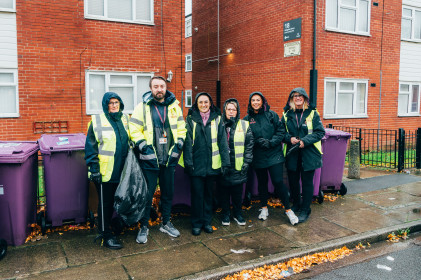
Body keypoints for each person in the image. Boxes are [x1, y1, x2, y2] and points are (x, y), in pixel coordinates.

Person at [129, 76, 186, 244]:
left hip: (169, 159)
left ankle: (166, 222)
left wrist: (179, 144)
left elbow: (182, 128)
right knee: (147, 195)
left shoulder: (175, 107)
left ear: (165, 87)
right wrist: (143, 146)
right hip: (150, 160)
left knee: (168, 193)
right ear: (151, 89)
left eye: (162, 86)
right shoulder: (143, 107)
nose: (159, 89)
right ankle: (144, 226)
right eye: (156, 86)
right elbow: (133, 128)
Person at [244, 92, 298, 225]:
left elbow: (280, 131)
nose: (256, 102)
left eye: (258, 100)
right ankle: (264, 208)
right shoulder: (247, 119)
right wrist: (258, 141)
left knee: (278, 181)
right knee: (262, 183)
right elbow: (246, 137)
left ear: (263, 101)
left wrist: (271, 142)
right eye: (253, 100)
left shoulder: (271, 115)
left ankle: (289, 210)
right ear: (250, 103)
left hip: (274, 154)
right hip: (258, 156)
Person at [85, 92, 130, 249]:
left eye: (117, 102)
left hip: (122, 170)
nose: (114, 105)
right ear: (105, 105)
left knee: (119, 200)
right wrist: (94, 169)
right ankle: (105, 235)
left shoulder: (124, 119)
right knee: (106, 204)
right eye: (111, 103)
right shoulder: (97, 121)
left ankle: (113, 225)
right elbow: (91, 147)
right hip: (105, 172)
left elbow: (129, 140)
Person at [182, 92, 230, 236]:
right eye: (201, 102)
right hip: (196, 165)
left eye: (206, 102)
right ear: (196, 104)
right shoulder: (190, 119)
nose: (204, 105)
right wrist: (188, 162)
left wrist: (225, 163)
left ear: (210, 103)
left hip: (212, 165)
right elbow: (187, 143)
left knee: (209, 195)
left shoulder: (217, 119)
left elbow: (222, 142)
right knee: (197, 195)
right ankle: (196, 224)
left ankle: (207, 222)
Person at [281, 87, 325, 223]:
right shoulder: (286, 114)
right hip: (292, 154)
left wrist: (304, 141)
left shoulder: (313, 113)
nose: (298, 98)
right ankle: (296, 205)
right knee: (293, 182)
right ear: (291, 99)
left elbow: (319, 132)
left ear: (305, 98)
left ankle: (306, 209)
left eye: (300, 96)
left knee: (306, 183)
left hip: (309, 154)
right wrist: (290, 139)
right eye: (295, 96)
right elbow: (281, 132)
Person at [220, 98, 254, 226]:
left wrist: (247, 162)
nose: (231, 112)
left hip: (239, 166)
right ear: (225, 111)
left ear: (237, 111)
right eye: (228, 109)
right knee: (223, 193)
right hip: (223, 165)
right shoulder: (219, 124)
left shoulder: (244, 125)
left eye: (233, 109)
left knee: (237, 193)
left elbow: (249, 146)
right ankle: (225, 214)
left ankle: (238, 214)